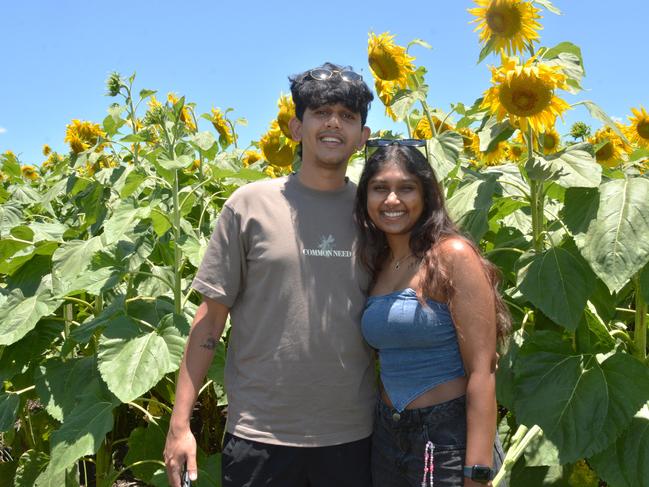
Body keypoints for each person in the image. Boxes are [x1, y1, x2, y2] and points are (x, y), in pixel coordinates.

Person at [163, 62, 375, 487]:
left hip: (353, 434)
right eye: (321, 113)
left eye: (348, 116)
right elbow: (210, 318)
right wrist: (179, 424)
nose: (334, 123)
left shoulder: (374, 214)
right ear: (296, 128)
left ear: (363, 137)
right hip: (260, 434)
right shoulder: (249, 205)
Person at [354, 141, 510, 487]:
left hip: (445, 439)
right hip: (386, 436)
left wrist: (477, 472)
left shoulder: (452, 256)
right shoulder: (376, 263)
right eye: (379, 188)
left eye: (406, 188)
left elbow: (482, 371)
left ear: (427, 195)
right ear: (365, 198)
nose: (392, 200)